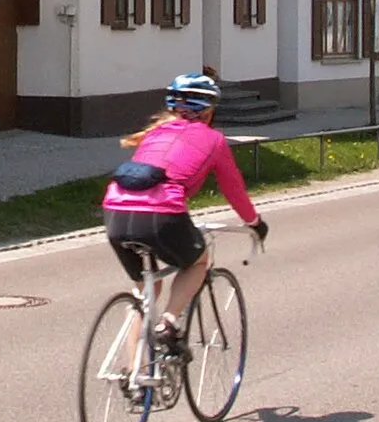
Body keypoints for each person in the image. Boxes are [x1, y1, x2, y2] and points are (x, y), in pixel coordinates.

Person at [101, 73, 267, 352]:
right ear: (209, 110)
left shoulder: (153, 133)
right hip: (162, 214)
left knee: (146, 291)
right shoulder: (214, 139)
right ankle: (168, 323)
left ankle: (134, 377)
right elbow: (233, 189)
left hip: (115, 211)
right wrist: (254, 223)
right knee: (198, 262)